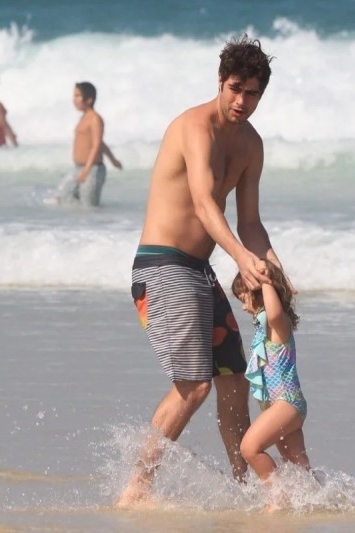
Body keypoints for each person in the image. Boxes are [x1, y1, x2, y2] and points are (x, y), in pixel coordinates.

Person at [117, 36, 282, 508]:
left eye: (252, 93)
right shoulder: (194, 127)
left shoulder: (250, 144)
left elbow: (250, 222)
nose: (242, 100)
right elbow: (206, 205)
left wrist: (274, 271)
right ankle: (136, 490)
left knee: (233, 380)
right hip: (162, 266)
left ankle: (244, 489)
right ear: (220, 81)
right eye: (235, 88)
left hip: (198, 270)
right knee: (194, 385)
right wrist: (241, 259)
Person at [231, 260, 310, 492]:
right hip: (280, 405)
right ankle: (321, 500)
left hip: (286, 402)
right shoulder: (265, 329)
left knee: (249, 448)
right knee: (298, 466)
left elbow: (273, 312)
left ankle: (277, 497)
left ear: (259, 292)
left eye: (244, 298)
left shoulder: (278, 324)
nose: (243, 307)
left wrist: (265, 279)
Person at [51, 82, 122, 207]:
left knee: (89, 207)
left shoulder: (95, 119)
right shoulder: (83, 118)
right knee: (60, 198)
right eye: (74, 96)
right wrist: (113, 160)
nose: (74, 99)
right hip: (79, 168)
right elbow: (101, 143)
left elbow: (97, 144)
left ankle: (100, 219)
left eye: (78, 96)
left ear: (89, 99)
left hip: (93, 169)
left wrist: (87, 169)